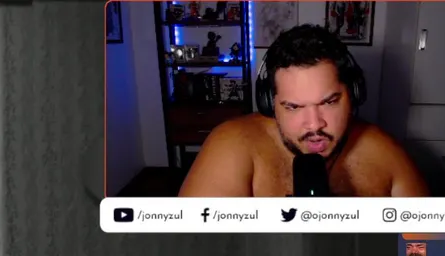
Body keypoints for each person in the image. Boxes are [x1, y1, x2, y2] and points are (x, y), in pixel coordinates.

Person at [179, 24, 428, 197]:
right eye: (294, 107)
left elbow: (429, 248)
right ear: (270, 104)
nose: (314, 124)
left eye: (329, 102)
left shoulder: (387, 155)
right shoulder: (231, 146)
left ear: (353, 95)